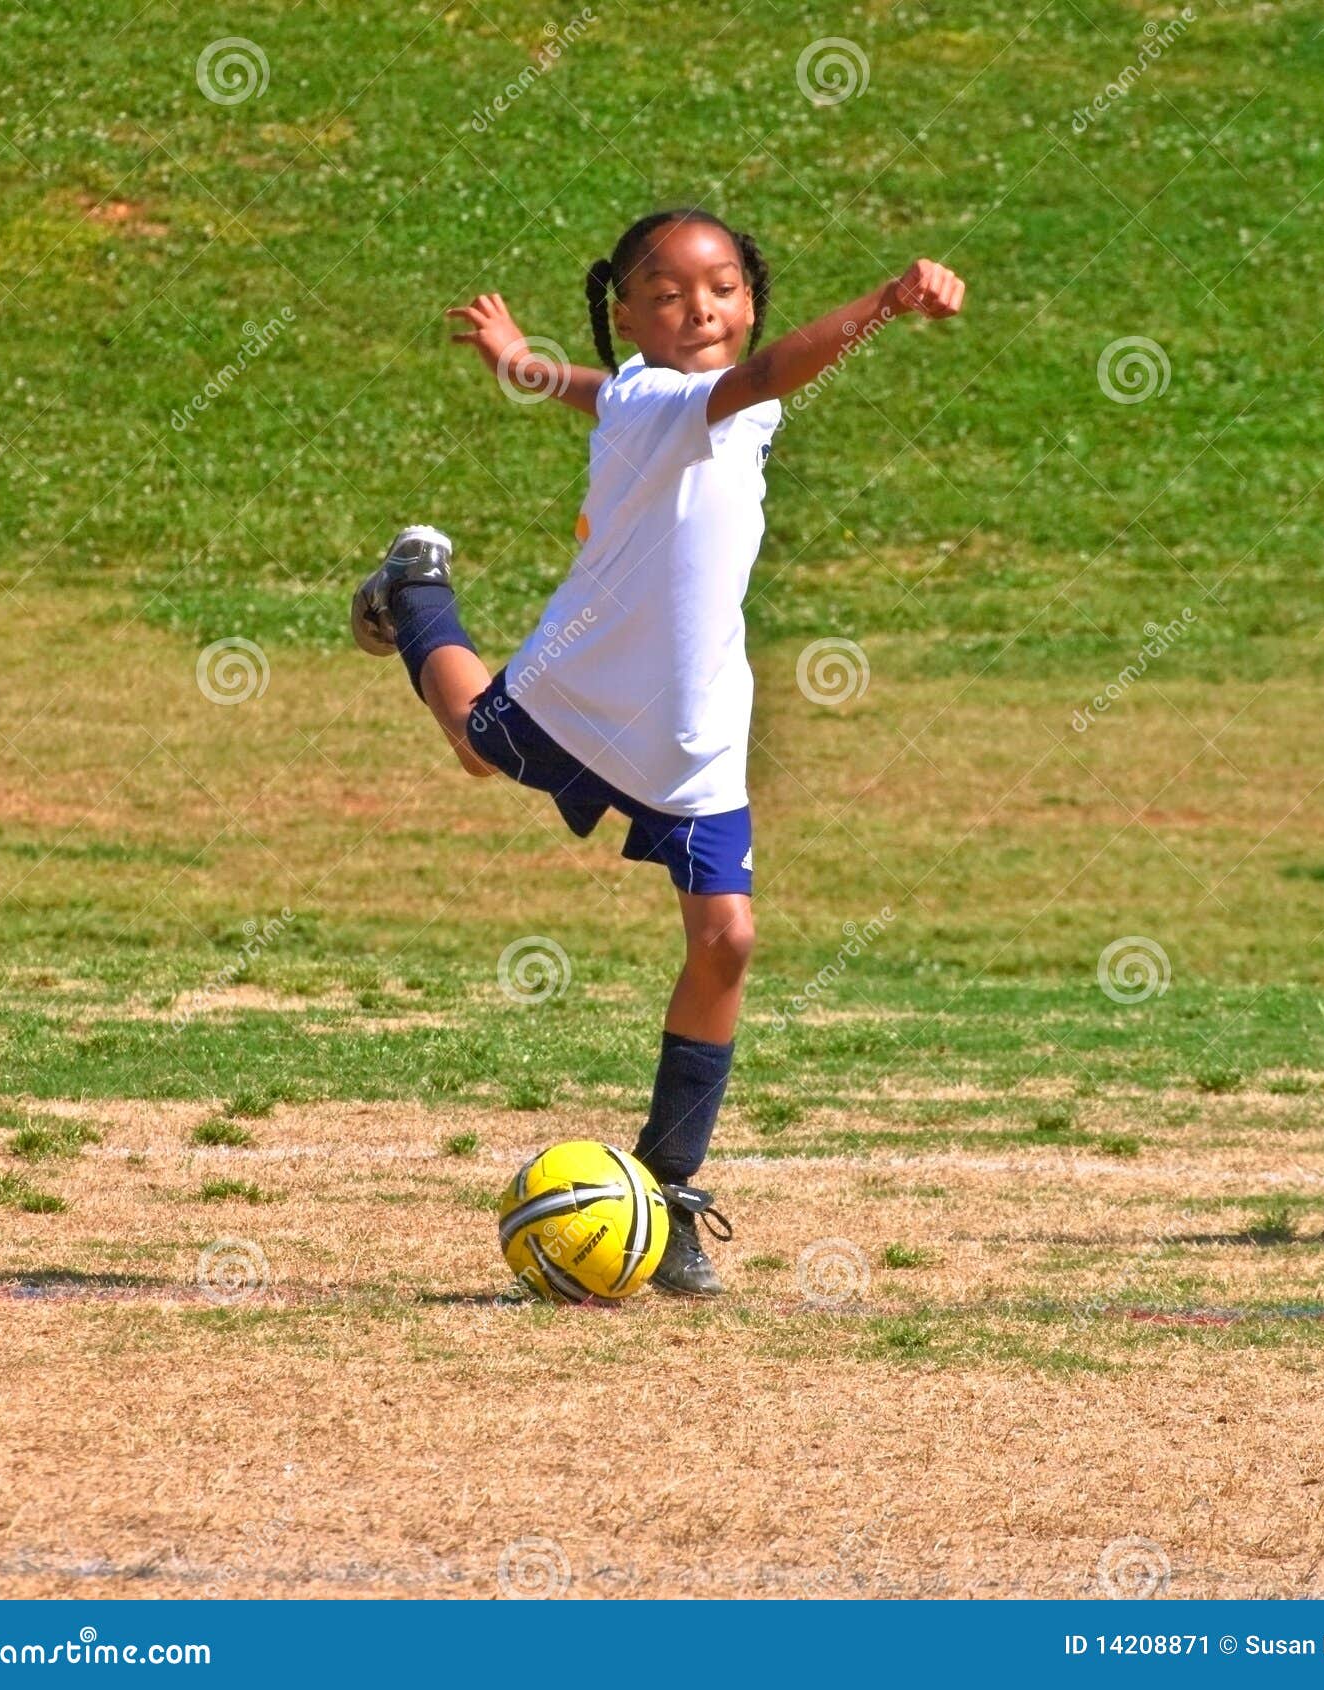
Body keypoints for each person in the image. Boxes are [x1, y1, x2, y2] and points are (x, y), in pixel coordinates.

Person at [351, 205, 964, 1295]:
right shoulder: (698, 393)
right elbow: (765, 371)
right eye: (669, 293)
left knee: (725, 939)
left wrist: (525, 366)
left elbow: (611, 390)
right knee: (476, 745)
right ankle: (414, 596)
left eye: (723, 287)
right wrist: (879, 303)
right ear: (627, 314)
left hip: (695, 732)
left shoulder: (664, 394)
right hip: (589, 686)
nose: (701, 308)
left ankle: (670, 1190)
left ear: (749, 298)